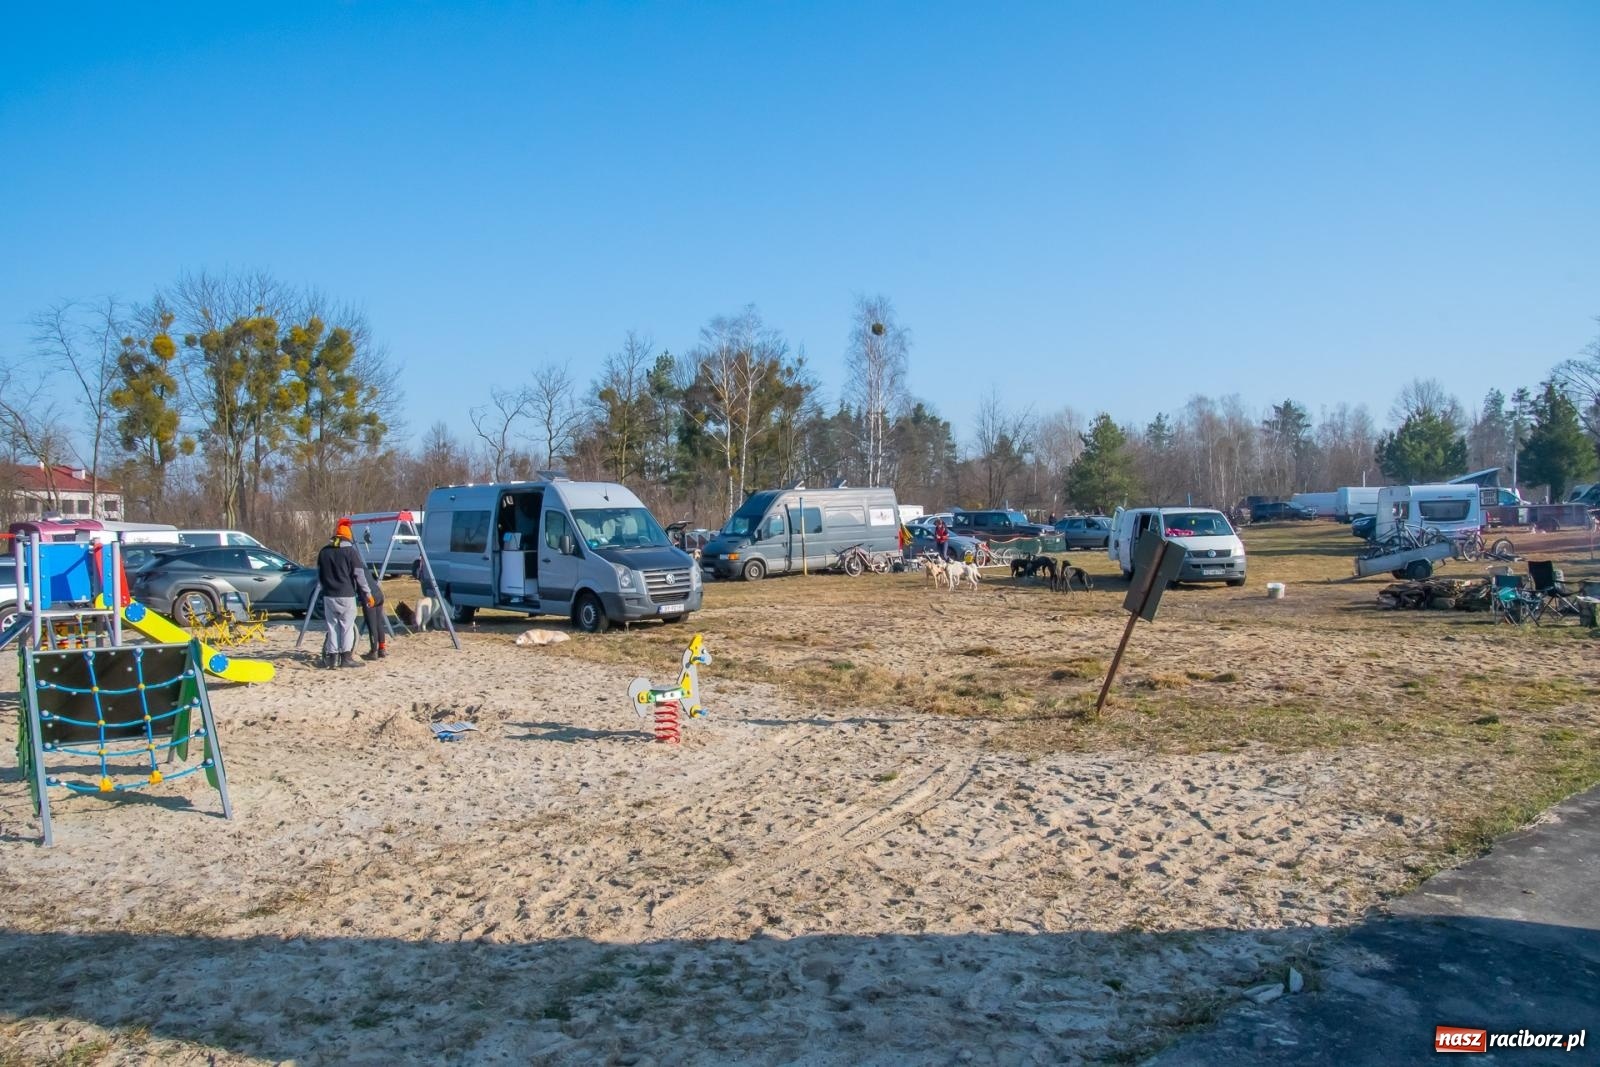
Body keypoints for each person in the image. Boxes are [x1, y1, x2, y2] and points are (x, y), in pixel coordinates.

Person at [316, 518, 373, 669]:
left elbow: (320, 575)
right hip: (346, 595)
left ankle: (332, 658)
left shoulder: (324, 552)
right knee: (347, 627)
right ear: (348, 538)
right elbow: (359, 576)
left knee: (332, 626)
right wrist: (368, 594)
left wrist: (324, 588)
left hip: (329, 595)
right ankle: (346, 658)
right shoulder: (350, 552)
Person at [360, 567, 388, 660]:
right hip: (379, 594)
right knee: (379, 623)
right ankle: (382, 649)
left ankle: (374, 651)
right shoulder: (363, 567)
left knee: (372, 625)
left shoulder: (353, 569)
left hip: (369, 597)